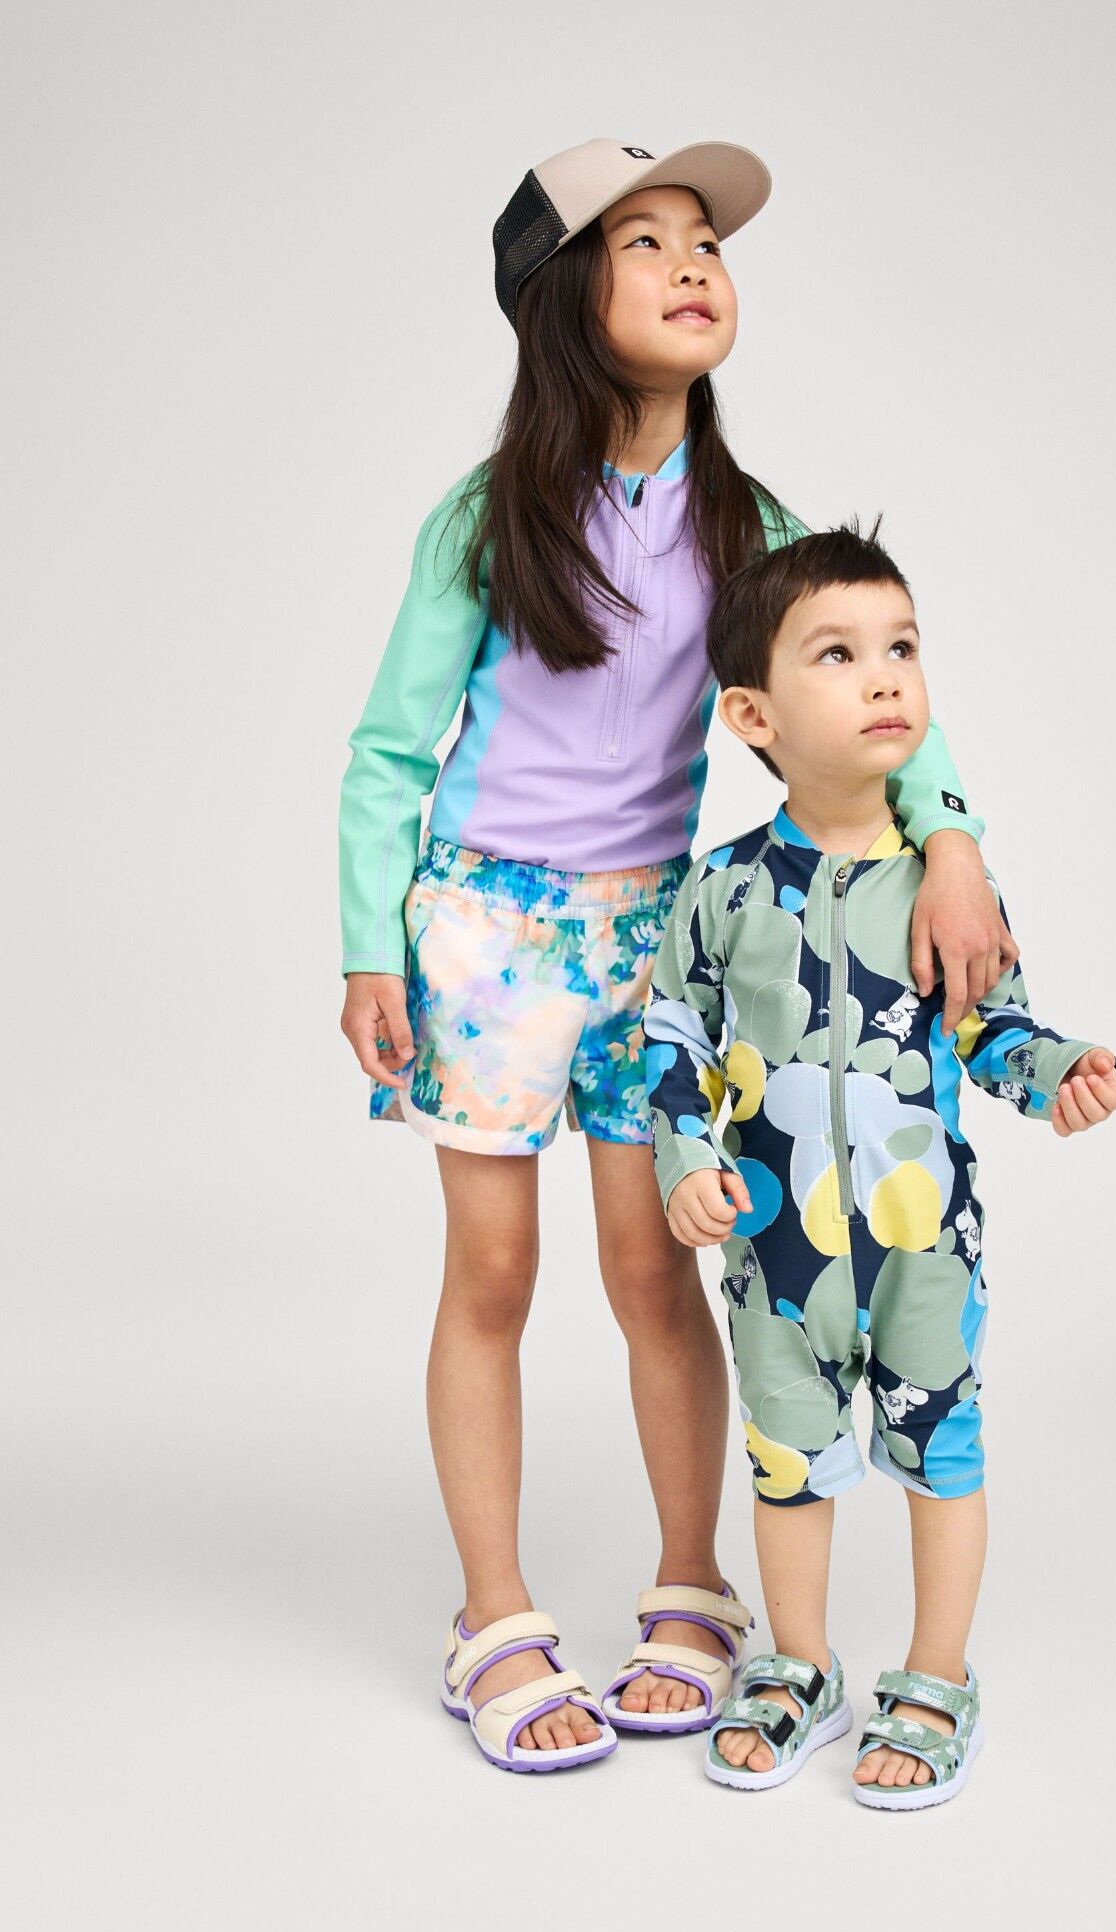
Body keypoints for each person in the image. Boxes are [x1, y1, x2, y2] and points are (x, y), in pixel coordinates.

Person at [338, 137, 1013, 1773]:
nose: (693, 262)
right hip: (486, 932)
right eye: (642, 241)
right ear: (562, 297)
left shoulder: (746, 522)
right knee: (494, 1274)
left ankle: (692, 1579)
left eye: (703, 238)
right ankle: (493, 1611)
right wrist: (370, 952)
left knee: (657, 1271)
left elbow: (868, 694)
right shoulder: (484, 519)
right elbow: (388, 753)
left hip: (660, 934)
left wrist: (950, 842)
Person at [645, 523, 1116, 1805]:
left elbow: (994, 1024)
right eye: (839, 654)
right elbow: (671, 1039)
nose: (884, 678)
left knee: (940, 1450)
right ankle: (799, 1666)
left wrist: (1058, 1071)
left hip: (926, 1251)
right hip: (774, 1251)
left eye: (901, 647)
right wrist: (683, 1159)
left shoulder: (948, 888)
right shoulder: (721, 889)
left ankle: (936, 1674)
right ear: (752, 714)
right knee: (788, 1460)